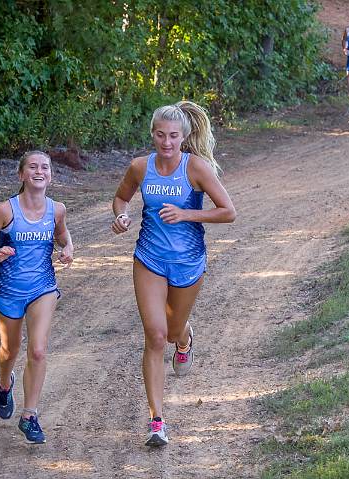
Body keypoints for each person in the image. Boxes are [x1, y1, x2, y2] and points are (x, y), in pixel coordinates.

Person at [111, 101, 236, 447]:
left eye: (173, 136)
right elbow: (121, 198)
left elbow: (228, 212)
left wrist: (186, 215)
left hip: (188, 261)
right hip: (149, 258)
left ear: (184, 136)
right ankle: (156, 421)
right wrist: (121, 216)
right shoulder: (140, 167)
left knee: (171, 332)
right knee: (154, 335)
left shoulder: (196, 168)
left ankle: (184, 338)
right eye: (160, 135)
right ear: (152, 134)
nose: (166, 142)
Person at [0, 151, 74, 444]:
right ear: (21, 175)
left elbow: (63, 236)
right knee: (10, 350)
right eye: (32, 167)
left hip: (42, 287)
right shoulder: (5, 210)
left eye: (45, 167)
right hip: (8, 290)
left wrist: (68, 248)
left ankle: (30, 415)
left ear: (51, 175)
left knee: (39, 350)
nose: (39, 171)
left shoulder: (57, 209)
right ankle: (4, 383)